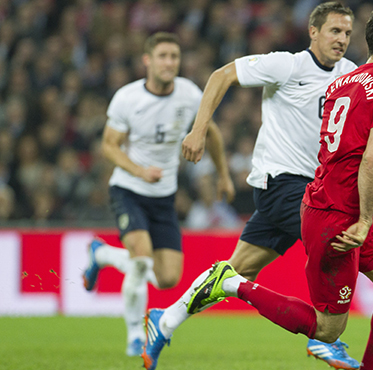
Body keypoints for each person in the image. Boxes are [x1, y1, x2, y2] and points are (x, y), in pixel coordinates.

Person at [183, 8, 373, 370]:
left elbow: (345, 155)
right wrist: (362, 220)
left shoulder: (346, 82)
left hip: (328, 199)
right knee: (327, 331)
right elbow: (369, 159)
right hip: (339, 216)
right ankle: (232, 283)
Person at [142, 3, 360, 370]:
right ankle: (327, 339)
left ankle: (165, 320)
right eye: (334, 31)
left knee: (237, 271)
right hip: (283, 182)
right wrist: (198, 130)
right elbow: (221, 75)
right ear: (313, 31)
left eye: (347, 33)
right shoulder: (287, 65)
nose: (341, 39)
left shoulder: (351, 74)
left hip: (312, 187)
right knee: (333, 244)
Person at [81, 32, 235, 357]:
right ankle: (135, 335)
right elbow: (109, 145)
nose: (169, 63)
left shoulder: (190, 95)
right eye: (163, 56)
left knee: (167, 278)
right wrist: (139, 171)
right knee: (140, 260)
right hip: (130, 189)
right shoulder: (127, 98)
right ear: (147, 60)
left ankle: (102, 255)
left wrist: (222, 175)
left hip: (164, 196)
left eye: (174, 57)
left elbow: (212, 133)